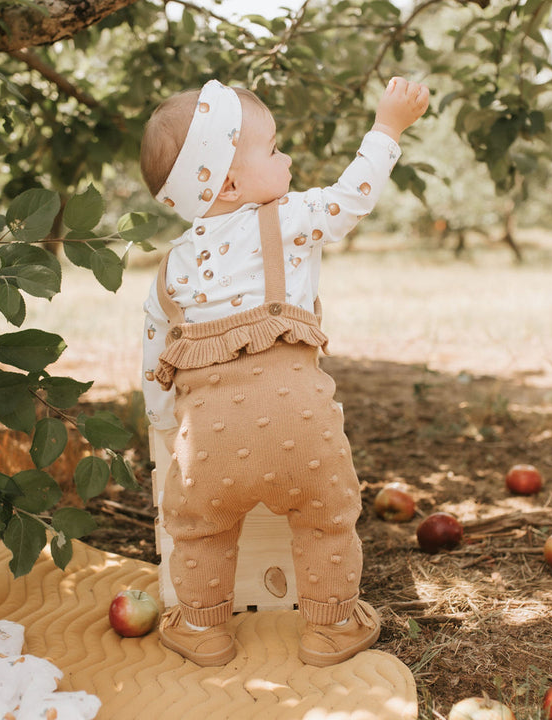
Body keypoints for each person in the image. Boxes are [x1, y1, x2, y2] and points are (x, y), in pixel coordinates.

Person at [139, 77, 429, 667]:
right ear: (228, 183)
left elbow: (154, 357)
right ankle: (331, 627)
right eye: (272, 150)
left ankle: (202, 628)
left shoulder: (168, 271)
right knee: (327, 517)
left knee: (199, 529)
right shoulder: (289, 219)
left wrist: (164, 426)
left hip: (207, 448)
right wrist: (388, 129)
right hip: (302, 431)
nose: (287, 157)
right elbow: (352, 197)